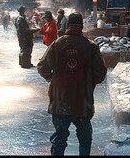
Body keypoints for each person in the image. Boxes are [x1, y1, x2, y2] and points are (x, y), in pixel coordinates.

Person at [36, 13, 107, 156]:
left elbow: (42, 67)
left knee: (59, 139)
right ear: (81, 27)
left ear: (68, 25)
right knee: (85, 139)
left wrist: (52, 79)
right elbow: (100, 72)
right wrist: (89, 82)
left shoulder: (57, 44)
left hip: (60, 102)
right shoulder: (90, 46)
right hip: (83, 102)